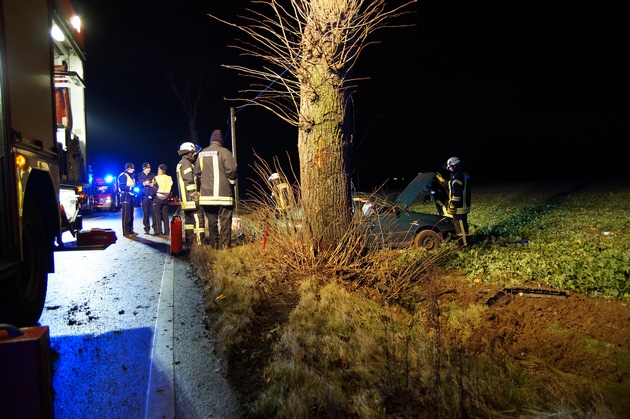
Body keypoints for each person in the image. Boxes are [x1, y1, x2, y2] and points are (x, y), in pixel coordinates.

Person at [194, 129, 237, 249]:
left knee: (212, 222)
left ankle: (214, 245)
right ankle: (225, 246)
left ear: (211, 140)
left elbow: (197, 173)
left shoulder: (201, 154)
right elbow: (232, 170)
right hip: (223, 195)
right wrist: (231, 183)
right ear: (220, 140)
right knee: (225, 221)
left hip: (206, 196)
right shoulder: (225, 152)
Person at [176, 141, 205, 246]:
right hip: (191, 199)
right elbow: (188, 180)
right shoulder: (187, 164)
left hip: (185, 200)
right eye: (193, 152)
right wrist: (194, 195)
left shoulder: (181, 163)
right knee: (199, 220)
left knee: (189, 222)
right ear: (189, 152)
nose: (195, 154)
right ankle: (200, 243)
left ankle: (190, 242)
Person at [445, 156, 471, 246]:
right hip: (464, 205)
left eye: (450, 167)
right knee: (463, 226)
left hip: (459, 207)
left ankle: (463, 245)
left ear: (455, 165)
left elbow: (456, 194)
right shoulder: (464, 174)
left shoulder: (457, 177)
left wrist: (452, 205)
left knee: (460, 228)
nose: (449, 169)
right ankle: (466, 242)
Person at [152, 164, 173, 237]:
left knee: (157, 214)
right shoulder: (169, 178)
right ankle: (167, 232)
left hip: (158, 197)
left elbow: (154, 187)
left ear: (161, 170)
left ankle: (159, 231)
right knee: (165, 215)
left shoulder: (156, 178)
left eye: (158, 169)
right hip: (166, 198)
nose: (157, 171)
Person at [136, 162, 157, 234]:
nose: (149, 169)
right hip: (144, 196)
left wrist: (152, 185)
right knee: (146, 214)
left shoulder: (153, 175)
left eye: (150, 168)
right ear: (144, 168)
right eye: (147, 168)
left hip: (152, 196)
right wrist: (143, 183)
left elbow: (156, 185)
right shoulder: (139, 175)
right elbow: (136, 185)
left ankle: (155, 229)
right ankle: (147, 229)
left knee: (154, 213)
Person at [117, 162, 137, 237]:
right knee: (126, 215)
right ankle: (126, 232)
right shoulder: (123, 176)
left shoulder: (131, 176)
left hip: (130, 196)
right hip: (125, 196)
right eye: (132, 168)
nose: (133, 170)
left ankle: (131, 230)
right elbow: (122, 186)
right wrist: (131, 188)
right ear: (128, 169)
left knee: (131, 214)